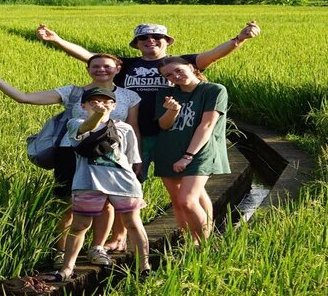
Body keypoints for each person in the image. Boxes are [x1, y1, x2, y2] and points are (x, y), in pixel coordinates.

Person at [35, 21, 260, 251]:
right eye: (144, 39)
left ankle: (204, 236)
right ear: (137, 44)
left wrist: (239, 39)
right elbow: (90, 57)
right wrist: (57, 40)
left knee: (192, 192)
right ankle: (119, 237)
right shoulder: (128, 65)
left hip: (170, 135)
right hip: (132, 136)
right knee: (125, 187)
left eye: (156, 37)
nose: (150, 41)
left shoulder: (178, 63)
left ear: (167, 41)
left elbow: (211, 55)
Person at [0, 54, 140, 266]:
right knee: (67, 202)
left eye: (107, 66)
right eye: (95, 66)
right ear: (88, 69)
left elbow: (133, 129)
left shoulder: (129, 96)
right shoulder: (73, 92)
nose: (101, 70)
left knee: (106, 203)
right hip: (71, 152)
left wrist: (136, 159)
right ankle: (60, 251)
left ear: (118, 68)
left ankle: (97, 248)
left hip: (109, 157)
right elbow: (24, 97)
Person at [42, 87, 150, 283]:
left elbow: (130, 157)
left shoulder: (125, 128)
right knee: (80, 225)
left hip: (123, 183)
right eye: (94, 102)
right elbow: (85, 131)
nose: (101, 104)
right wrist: (98, 115)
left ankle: (144, 268)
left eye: (107, 101)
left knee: (133, 223)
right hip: (87, 181)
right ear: (83, 106)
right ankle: (67, 269)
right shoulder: (75, 123)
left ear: (114, 105)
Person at [155, 56, 230, 244]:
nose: (175, 76)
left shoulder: (214, 90)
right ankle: (189, 243)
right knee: (178, 202)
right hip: (169, 149)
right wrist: (172, 110)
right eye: (169, 75)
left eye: (179, 70)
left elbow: (207, 125)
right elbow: (163, 125)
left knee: (187, 200)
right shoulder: (166, 94)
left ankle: (203, 246)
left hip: (199, 151)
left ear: (190, 67)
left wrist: (188, 156)